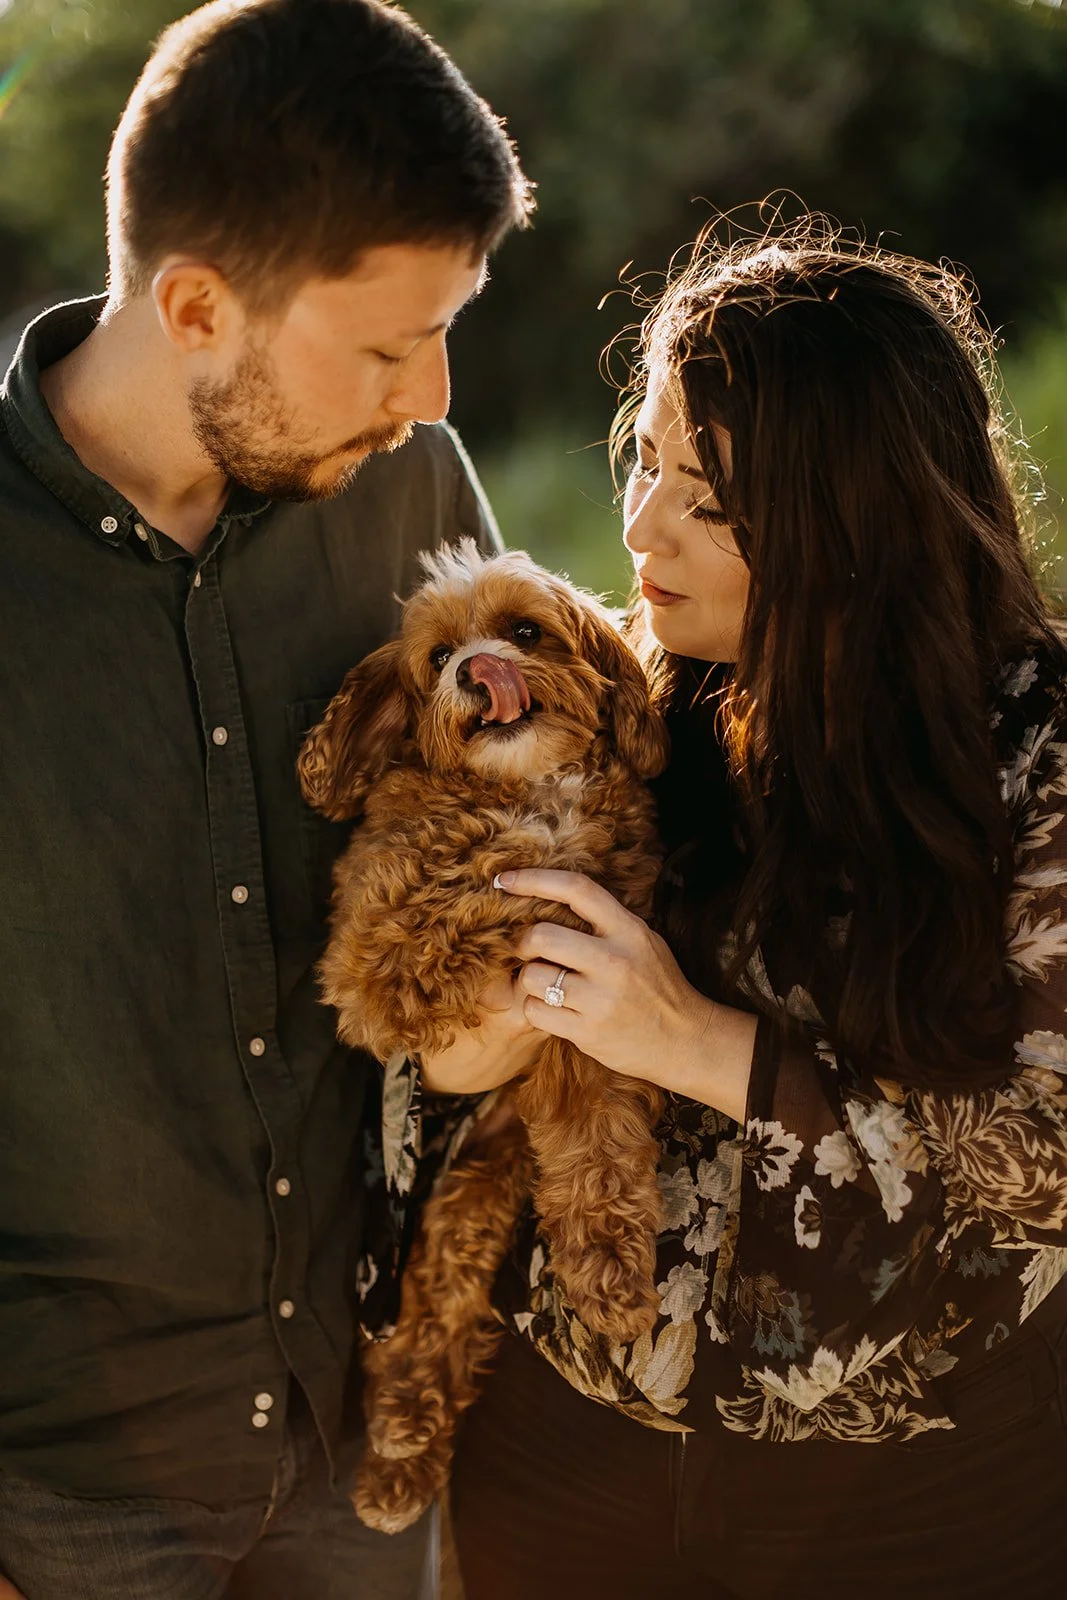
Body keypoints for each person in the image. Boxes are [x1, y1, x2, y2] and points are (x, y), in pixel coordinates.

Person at [390, 220, 1067, 1599]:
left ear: (851, 516)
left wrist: (701, 1045)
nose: (639, 527)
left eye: (704, 498)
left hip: (916, 1497)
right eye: (644, 459)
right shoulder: (614, 712)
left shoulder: (1036, 756)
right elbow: (432, 1066)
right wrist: (465, 1047)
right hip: (564, 1461)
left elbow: (1044, 1162)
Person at [0, 2, 531, 1596]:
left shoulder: (413, 495)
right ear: (196, 305)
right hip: (60, 1492)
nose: (431, 393)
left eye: (446, 328)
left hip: (362, 1439)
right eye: (384, 345)